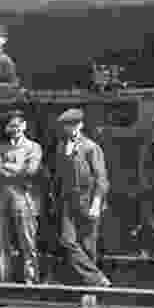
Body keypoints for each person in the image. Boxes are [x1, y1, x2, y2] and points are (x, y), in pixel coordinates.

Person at [53, 108, 111, 287]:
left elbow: (101, 179)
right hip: (69, 200)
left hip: (88, 199)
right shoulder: (62, 146)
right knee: (68, 240)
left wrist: (96, 203)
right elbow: (60, 175)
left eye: (73, 125)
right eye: (66, 126)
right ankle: (97, 279)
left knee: (88, 245)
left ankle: (90, 287)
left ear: (80, 125)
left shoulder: (91, 147)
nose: (69, 129)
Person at [0, 109, 44, 284]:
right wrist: (16, 169)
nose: (15, 129)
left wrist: (6, 167)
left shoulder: (33, 147)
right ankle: (2, 282)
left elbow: (31, 171)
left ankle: (31, 280)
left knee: (27, 240)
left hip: (24, 195)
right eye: (11, 125)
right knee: (1, 241)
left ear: (25, 125)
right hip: (2, 196)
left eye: (18, 125)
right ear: (6, 128)